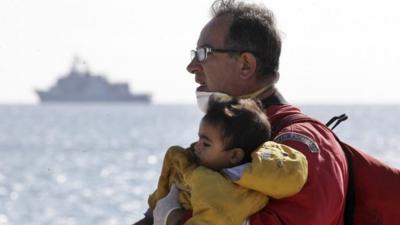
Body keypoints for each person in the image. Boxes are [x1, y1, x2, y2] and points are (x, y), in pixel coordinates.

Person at [133, 0, 348, 225]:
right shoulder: (234, 132)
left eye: (204, 53)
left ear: (246, 65)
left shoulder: (301, 144)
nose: (192, 66)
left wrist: (173, 218)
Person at [146, 96, 308, 225]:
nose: (197, 146)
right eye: (199, 139)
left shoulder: (225, 192)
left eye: (206, 143)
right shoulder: (199, 165)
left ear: (234, 156)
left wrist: (169, 217)